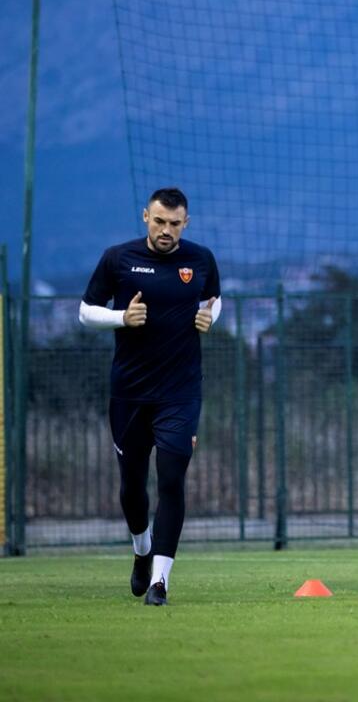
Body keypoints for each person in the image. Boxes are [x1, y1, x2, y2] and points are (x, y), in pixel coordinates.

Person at [79, 187, 221, 606]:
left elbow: (214, 300)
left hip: (181, 391)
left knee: (172, 479)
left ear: (186, 223)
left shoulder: (200, 259)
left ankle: (160, 581)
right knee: (132, 487)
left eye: (174, 224)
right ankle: (141, 550)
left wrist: (209, 316)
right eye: (159, 221)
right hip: (130, 393)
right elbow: (85, 311)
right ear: (146, 217)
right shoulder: (118, 258)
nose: (166, 230)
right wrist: (121, 317)